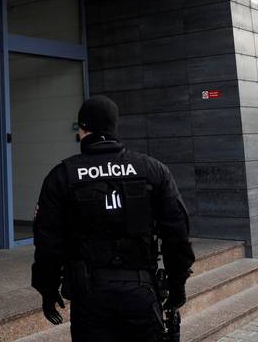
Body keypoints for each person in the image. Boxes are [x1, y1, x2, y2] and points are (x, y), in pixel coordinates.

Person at [31, 96, 195, 341]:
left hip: (90, 299)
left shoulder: (62, 176)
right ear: (114, 127)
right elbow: (177, 233)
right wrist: (178, 283)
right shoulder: (152, 170)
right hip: (142, 293)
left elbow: (48, 242)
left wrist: (47, 289)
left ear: (83, 129)